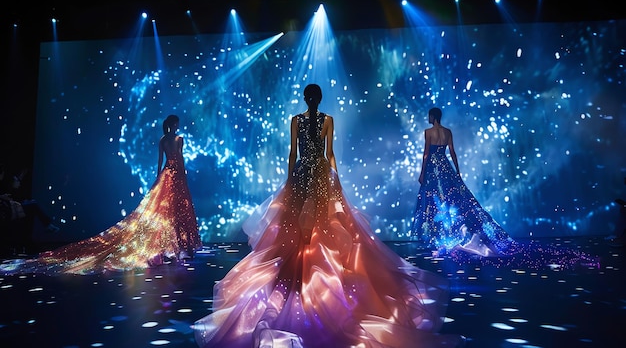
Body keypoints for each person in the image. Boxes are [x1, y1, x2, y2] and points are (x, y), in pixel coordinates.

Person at [193, 85, 465, 348]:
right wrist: (332, 180)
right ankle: (312, 283)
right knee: (317, 230)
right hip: (318, 177)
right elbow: (328, 154)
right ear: (319, 99)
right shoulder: (323, 120)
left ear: (305, 98)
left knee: (304, 230)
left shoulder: (297, 120)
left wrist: (297, 181)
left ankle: (304, 282)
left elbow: (296, 154)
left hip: (305, 177)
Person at [0, 115, 202, 275]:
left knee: (167, 212)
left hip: (166, 174)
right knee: (175, 210)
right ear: (174, 124)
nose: (177, 126)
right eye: (177, 123)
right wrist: (179, 177)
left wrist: (159, 178)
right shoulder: (178, 139)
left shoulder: (163, 140)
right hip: (175, 176)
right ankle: (180, 248)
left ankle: (176, 248)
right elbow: (179, 160)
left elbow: (160, 162)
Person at [411, 107, 516, 257]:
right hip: (445, 166)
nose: (428, 118)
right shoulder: (447, 132)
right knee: (450, 200)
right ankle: (448, 237)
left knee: (434, 201)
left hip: (433, 169)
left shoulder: (428, 132)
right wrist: (457, 171)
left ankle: (439, 239)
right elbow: (452, 152)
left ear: (433, 116)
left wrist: (422, 173)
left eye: (429, 116)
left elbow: (426, 154)